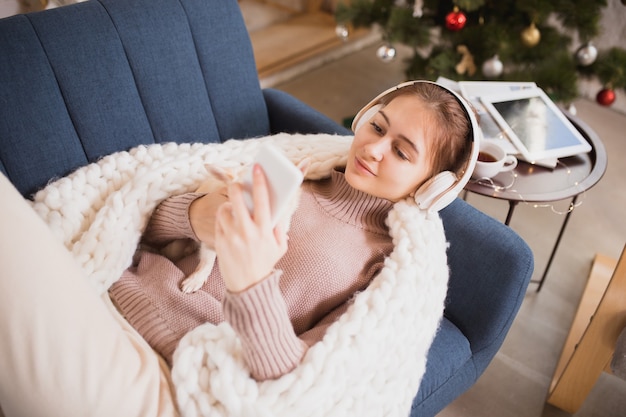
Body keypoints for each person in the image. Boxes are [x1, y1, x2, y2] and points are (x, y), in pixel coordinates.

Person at [0, 81, 477, 417]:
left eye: (402, 151)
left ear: (432, 187)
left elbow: (296, 389)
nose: (374, 149)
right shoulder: (298, 168)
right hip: (102, 289)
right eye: (378, 127)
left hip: (168, 379)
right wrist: (196, 214)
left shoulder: (382, 267)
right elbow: (139, 221)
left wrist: (252, 282)